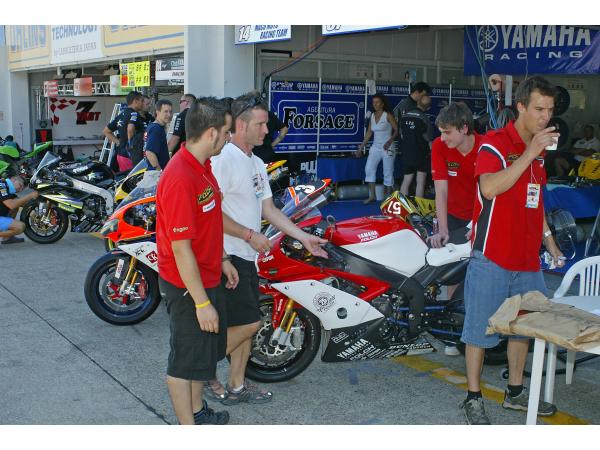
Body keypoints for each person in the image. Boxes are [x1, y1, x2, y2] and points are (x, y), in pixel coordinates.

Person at [206, 91, 328, 405]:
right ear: (242, 125)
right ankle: (200, 369)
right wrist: (247, 236)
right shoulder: (223, 160)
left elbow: (269, 210)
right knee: (248, 323)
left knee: (242, 323)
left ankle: (236, 385)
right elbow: (210, 213)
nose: (266, 131)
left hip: (247, 257)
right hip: (226, 257)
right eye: (260, 124)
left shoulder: (257, 163)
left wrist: (303, 237)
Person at [460, 75, 564, 425]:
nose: (545, 117)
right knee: (480, 329)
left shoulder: (539, 149)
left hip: (527, 259)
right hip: (492, 255)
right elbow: (489, 188)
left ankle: (516, 392)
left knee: (524, 329)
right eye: (538, 109)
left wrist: (549, 241)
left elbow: (535, 202)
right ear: (520, 106)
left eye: (549, 110)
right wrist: (530, 153)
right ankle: (473, 397)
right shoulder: (494, 144)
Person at [156, 97, 236, 425]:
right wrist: (202, 304)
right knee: (183, 363)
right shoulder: (180, 176)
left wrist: (222, 258)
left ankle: (198, 412)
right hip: (186, 284)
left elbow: (209, 220)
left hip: (206, 274)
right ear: (212, 133)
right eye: (227, 132)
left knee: (199, 358)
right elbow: (180, 248)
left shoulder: (202, 166)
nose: (229, 138)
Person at [429, 102, 483, 248]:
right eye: (441, 132)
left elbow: (491, 193)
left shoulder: (485, 147)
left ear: (464, 128)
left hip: (480, 216)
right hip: (451, 216)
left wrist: (479, 224)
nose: (442, 138)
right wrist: (443, 229)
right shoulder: (439, 146)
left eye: (447, 132)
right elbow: (441, 190)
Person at [355, 93, 398, 203]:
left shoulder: (388, 115)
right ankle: (372, 196)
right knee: (369, 169)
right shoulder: (372, 116)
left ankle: (388, 198)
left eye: (377, 102)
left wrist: (389, 141)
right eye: (373, 102)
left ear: (382, 104)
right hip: (376, 147)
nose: (375, 104)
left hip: (388, 147)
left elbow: (397, 130)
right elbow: (369, 133)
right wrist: (361, 148)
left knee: (388, 171)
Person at [399, 94, 432, 198]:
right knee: (420, 182)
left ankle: (401, 206)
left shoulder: (404, 117)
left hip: (407, 153)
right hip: (421, 154)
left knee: (406, 180)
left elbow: (401, 135)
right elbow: (429, 139)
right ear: (428, 107)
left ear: (417, 102)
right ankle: (418, 208)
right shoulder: (424, 118)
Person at [103, 91, 144, 171]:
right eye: (141, 101)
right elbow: (130, 129)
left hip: (121, 154)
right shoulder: (134, 114)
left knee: (125, 178)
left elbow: (106, 131)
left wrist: (118, 142)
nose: (142, 103)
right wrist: (131, 146)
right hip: (130, 155)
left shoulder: (122, 114)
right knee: (132, 180)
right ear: (135, 101)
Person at [0, 175, 38, 244]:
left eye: (22, 189)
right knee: (20, 227)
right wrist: (30, 195)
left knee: (16, 206)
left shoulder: (8, 189)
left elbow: (21, 203)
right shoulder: (1, 185)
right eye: (20, 186)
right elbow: (11, 204)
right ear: (13, 179)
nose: (20, 190)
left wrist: (38, 209)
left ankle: (7, 238)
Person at [144, 99, 173, 171]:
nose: (169, 115)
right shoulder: (156, 129)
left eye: (170, 111)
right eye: (165, 111)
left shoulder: (153, 126)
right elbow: (149, 152)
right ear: (157, 112)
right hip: (155, 174)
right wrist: (160, 172)